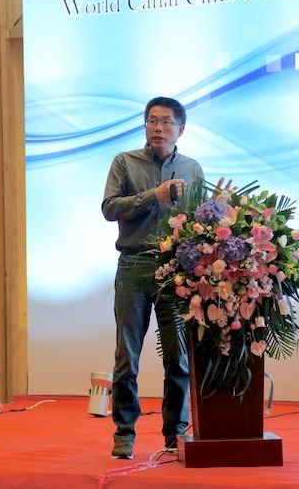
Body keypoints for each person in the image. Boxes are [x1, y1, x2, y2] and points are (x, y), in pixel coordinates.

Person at [101, 96, 203, 459]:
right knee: (127, 355)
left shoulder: (192, 169)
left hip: (174, 272)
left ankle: (175, 433)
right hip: (134, 266)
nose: (158, 128)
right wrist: (152, 196)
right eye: (152, 121)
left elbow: (200, 221)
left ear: (181, 129)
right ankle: (124, 433)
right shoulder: (125, 162)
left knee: (178, 357)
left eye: (166, 122)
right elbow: (109, 208)